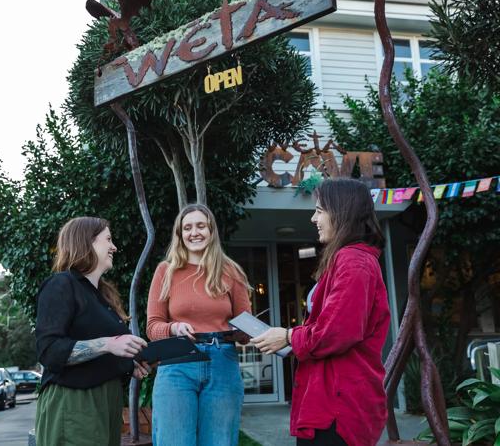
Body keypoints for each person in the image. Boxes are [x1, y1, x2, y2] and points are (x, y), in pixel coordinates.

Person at [251, 178, 390, 446]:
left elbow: (335, 333)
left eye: (319, 210)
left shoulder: (353, 261)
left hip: (339, 405)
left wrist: (289, 336)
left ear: (341, 211)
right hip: (328, 401)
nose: (313, 218)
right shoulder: (348, 259)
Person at [35, 217, 151, 446]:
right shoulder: (61, 284)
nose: (114, 247)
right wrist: (109, 344)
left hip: (107, 402)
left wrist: (131, 363)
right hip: (75, 402)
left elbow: (100, 354)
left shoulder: (101, 296)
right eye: (108, 239)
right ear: (87, 242)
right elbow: (49, 351)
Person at [147, 203, 252, 446]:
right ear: (180, 234)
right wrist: (173, 328)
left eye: (201, 226)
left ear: (211, 231)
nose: (194, 232)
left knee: (219, 441)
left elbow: (245, 326)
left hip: (222, 361)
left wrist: (242, 333)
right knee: (173, 440)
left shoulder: (230, 271)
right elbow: (153, 327)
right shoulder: (166, 271)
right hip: (177, 362)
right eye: (187, 227)